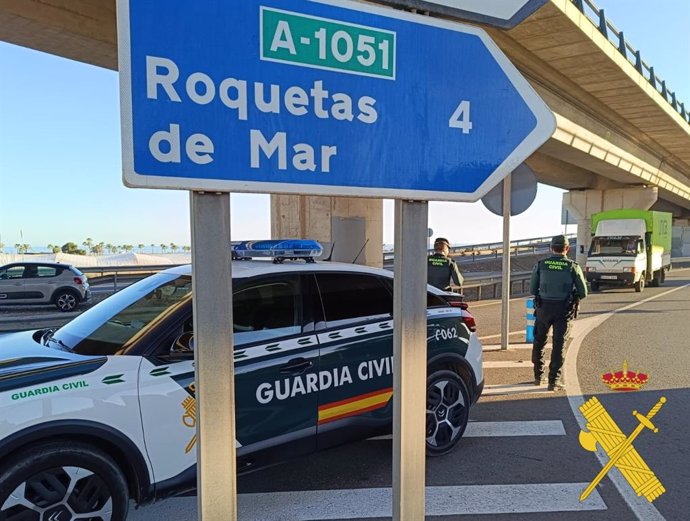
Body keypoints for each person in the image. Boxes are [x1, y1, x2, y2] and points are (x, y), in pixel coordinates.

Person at [530, 235, 587, 391]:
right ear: (567, 248)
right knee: (559, 345)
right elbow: (583, 292)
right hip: (563, 309)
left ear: (551, 247)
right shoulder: (572, 266)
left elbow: (532, 290)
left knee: (539, 341)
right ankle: (553, 382)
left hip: (543, 309)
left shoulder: (541, 265)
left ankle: (538, 376)